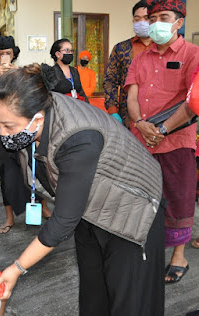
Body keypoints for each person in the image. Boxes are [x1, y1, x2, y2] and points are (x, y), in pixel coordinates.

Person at [0, 63, 165, 316]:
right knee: (94, 297)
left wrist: (16, 268)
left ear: (37, 118)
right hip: (90, 208)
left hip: (133, 212)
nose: (3, 134)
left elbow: (62, 222)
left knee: (131, 302)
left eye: (8, 126)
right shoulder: (28, 116)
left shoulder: (78, 138)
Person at [125, 0, 199, 284]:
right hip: (140, 140)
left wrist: (164, 129)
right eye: (152, 17)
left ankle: (178, 256)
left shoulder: (192, 54)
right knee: (142, 198)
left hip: (177, 140)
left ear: (178, 22)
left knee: (178, 197)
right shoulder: (140, 57)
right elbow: (131, 96)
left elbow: (193, 101)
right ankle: (148, 251)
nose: (155, 23)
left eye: (163, 17)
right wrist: (140, 124)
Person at [0, 36, 49, 234]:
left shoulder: (22, 73)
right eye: (0, 53)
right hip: (1, 136)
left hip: (24, 133)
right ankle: (9, 217)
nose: (4, 57)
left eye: (8, 53)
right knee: (7, 178)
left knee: (36, 171)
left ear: (14, 53)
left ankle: (43, 207)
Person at [103, 1, 153, 126]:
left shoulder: (163, 49)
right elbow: (110, 81)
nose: (142, 22)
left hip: (158, 114)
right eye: (137, 19)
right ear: (133, 21)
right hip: (127, 116)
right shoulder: (121, 48)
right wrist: (113, 110)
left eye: (146, 18)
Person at [50, 38, 89, 103]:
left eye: (71, 51)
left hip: (77, 107)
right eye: (67, 50)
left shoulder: (74, 71)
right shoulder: (51, 72)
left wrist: (88, 107)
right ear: (58, 54)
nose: (70, 53)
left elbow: (81, 92)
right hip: (60, 109)